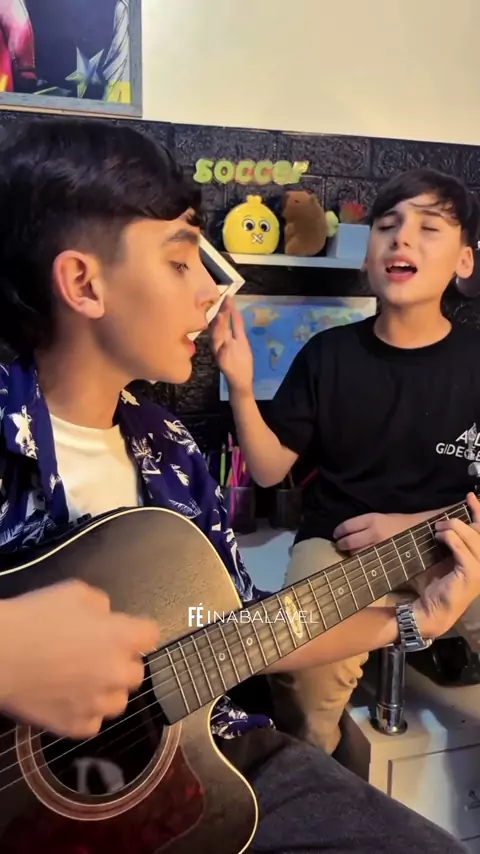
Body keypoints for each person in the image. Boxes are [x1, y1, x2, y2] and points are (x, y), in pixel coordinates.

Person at [0, 118, 478, 854]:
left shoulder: (170, 449)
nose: (211, 291)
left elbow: (235, 630)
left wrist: (414, 622)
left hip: (208, 757)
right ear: (84, 283)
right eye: (181, 261)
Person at [213, 167, 480, 757]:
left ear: (464, 260)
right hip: (339, 544)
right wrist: (241, 385)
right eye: (387, 225)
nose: (401, 237)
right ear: (368, 255)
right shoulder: (328, 354)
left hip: (453, 543)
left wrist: (413, 527)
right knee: (301, 679)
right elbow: (267, 470)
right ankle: (323, 776)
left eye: (428, 227)